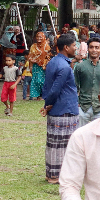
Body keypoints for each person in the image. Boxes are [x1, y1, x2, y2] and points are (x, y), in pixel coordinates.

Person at [41, 33, 79, 184]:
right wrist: (48, 103)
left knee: (54, 142)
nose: (75, 48)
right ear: (66, 47)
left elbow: (48, 85)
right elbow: (55, 89)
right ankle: (56, 175)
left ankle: (51, 172)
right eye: (74, 45)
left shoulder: (53, 62)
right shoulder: (65, 67)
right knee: (63, 143)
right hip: (65, 108)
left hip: (57, 107)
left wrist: (47, 104)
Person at [73, 36, 100, 126]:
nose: (94, 50)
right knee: (81, 134)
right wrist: (77, 103)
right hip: (83, 107)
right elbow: (75, 86)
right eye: (91, 47)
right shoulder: (80, 67)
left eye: (97, 47)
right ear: (88, 49)